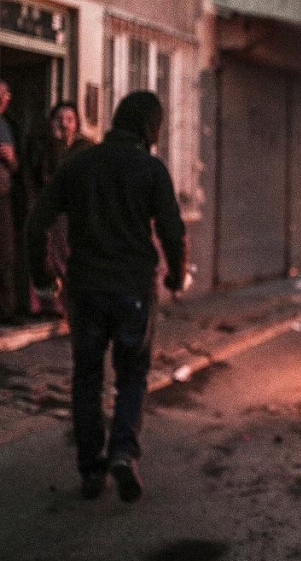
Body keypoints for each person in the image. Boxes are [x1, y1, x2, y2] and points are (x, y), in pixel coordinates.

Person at [26, 91, 187, 502]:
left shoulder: (80, 164)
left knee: (87, 376)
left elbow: (37, 221)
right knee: (132, 375)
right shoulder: (151, 169)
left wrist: (43, 274)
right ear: (150, 127)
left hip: (86, 289)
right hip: (134, 288)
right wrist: (175, 277)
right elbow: (172, 230)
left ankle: (91, 469)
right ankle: (122, 453)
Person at [27, 102, 94, 317]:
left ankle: (74, 307)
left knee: (71, 258)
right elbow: (43, 177)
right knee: (50, 255)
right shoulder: (44, 147)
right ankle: (52, 306)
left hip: (75, 213)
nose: (64, 124)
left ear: (77, 123)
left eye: (69, 119)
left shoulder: (84, 148)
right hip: (52, 213)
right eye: (59, 119)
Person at [0, 79, 21, 325]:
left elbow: (16, 167)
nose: (4, 99)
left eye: (6, 94)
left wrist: (12, 158)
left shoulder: (7, 125)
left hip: (3, 195)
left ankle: (7, 310)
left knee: (6, 253)